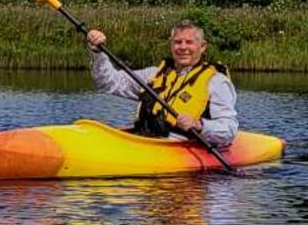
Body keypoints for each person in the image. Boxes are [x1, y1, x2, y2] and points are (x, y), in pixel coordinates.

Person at [86, 20, 238, 147]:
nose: (183, 47)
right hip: (144, 143)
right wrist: (98, 53)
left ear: (202, 46)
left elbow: (229, 130)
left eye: (189, 42)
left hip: (182, 147)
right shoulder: (152, 75)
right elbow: (109, 82)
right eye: (178, 42)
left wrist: (199, 125)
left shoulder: (216, 82)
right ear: (171, 45)